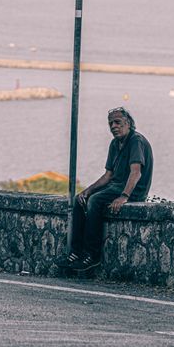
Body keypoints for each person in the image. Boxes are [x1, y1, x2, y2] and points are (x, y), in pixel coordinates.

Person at [56, 107, 153, 272]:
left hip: (132, 190)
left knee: (95, 201)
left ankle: (92, 255)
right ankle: (76, 252)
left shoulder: (135, 141)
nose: (113, 126)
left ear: (128, 123)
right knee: (80, 199)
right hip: (115, 186)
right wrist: (86, 191)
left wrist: (124, 196)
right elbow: (108, 175)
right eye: (110, 123)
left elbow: (135, 173)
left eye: (117, 122)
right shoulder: (115, 143)